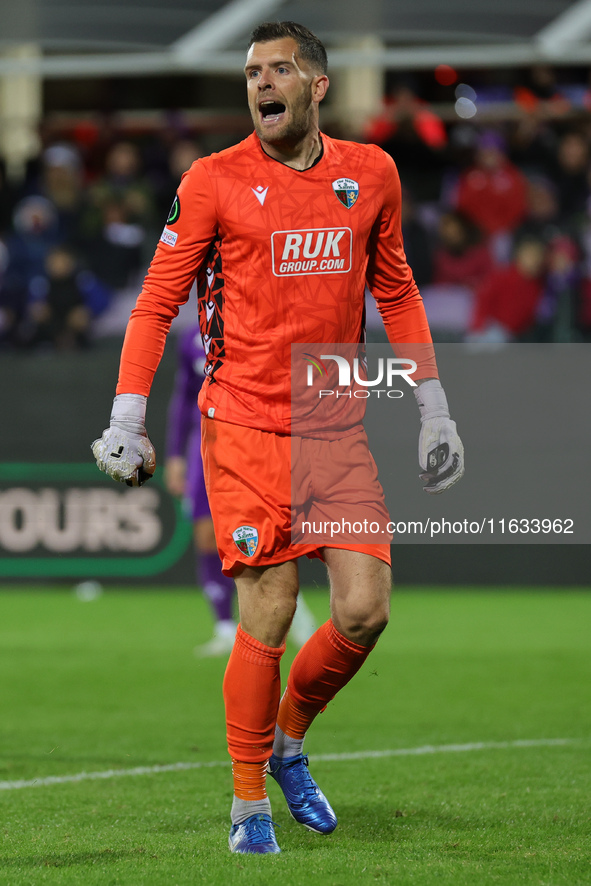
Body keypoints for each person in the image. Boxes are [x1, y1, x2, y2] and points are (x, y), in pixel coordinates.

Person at [92, 21, 464, 855]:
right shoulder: (214, 180)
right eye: (252, 71)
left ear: (317, 87)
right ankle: (247, 802)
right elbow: (155, 303)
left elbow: (397, 291)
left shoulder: (371, 174)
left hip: (336, 423)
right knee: (271, 606)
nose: (261, 83)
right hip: (246, 425)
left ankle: (290, 738)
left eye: (279, 70)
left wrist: (432, 409)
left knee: (364, 613)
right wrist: (126, 416)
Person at [165, 323, 318, 655]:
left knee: (263, 533)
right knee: (207, 536)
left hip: (253, 440)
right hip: (205, 444)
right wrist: (175, 454)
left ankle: (291, 604)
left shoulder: (260, 326)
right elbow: (183, 396)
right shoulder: (192, 337)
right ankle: (223, 628)